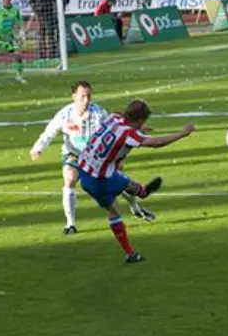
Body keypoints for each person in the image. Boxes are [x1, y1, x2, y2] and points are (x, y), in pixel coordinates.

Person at [78, 99, 195, 263]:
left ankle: (143, 192)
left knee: (131, 186)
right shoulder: (128, 134)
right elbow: (156, 143)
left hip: (86, 167)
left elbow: (117, 130)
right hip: (99, 179)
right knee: (114, 212)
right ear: (140, 120)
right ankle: (130, 254)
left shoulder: (114, 117)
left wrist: (140, 130)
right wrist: (182, 134)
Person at [30, 82, 156, 234]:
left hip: (95, 157)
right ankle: (70, 224)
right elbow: (49, 132)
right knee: (69, 179)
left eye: (89, 96)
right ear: (74, 96)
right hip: (74, 154)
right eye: (82, 96)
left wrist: (137, 128)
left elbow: (116, 126)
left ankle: (135, 207)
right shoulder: (65, 114)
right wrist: (38, 148)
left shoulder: (98, 112)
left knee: (120, 184)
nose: (86, 100)